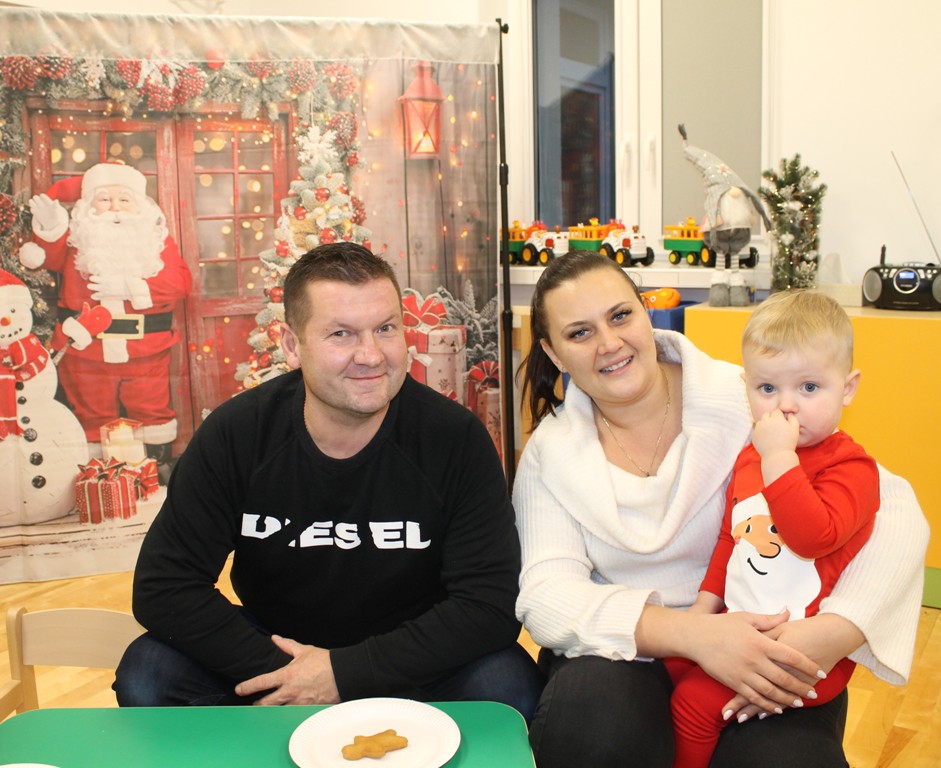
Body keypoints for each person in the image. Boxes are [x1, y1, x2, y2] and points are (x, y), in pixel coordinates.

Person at [513, 251, 927, 767]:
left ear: (646, 312)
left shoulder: (751, 397)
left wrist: (836, 631)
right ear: (553, 354)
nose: (610, 343)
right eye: (580, 333)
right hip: (624, 653)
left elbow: (894, 507)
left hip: (768, 640)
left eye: (620, 315)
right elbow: (546, 598)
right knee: (594, 725)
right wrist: (695, 635)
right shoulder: (549, 455)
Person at [113, 242, 544, 722]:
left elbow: (489, 604)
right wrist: (296, 678)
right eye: (341, 334)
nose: (371, 355)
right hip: (278, 651)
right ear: (291, 346)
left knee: (507, 686)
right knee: (149, 672)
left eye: (386, 329)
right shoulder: (238, 434)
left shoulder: (454, 438)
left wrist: (345, 674)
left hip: (414, 659)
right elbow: (164, 587)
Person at [667, 290, 880, 768]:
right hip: (744, 626)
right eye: (767, 389)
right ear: (746, 387)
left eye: (809, 387)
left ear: (847, 388)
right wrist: (702, 612)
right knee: (673, 667)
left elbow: (813, 537)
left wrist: (780, 458)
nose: (786, 407)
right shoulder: (752, 457)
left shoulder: (852, 468)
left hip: (804, 653)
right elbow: (732, 539)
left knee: (692, 705)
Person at [19, 162, 192, 479]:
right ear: (88, 204)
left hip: (146, 349)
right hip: (87, 351)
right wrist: (50, 228)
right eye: (104, 199)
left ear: (139, 205)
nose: (115, 207)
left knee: (152, 410)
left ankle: (156, 469)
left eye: (124, 199)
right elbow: (48, 260)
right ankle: (99, 478)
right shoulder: (77, 237)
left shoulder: (155, 240)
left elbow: (180, 283)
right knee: (92, 414)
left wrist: (128, 286)